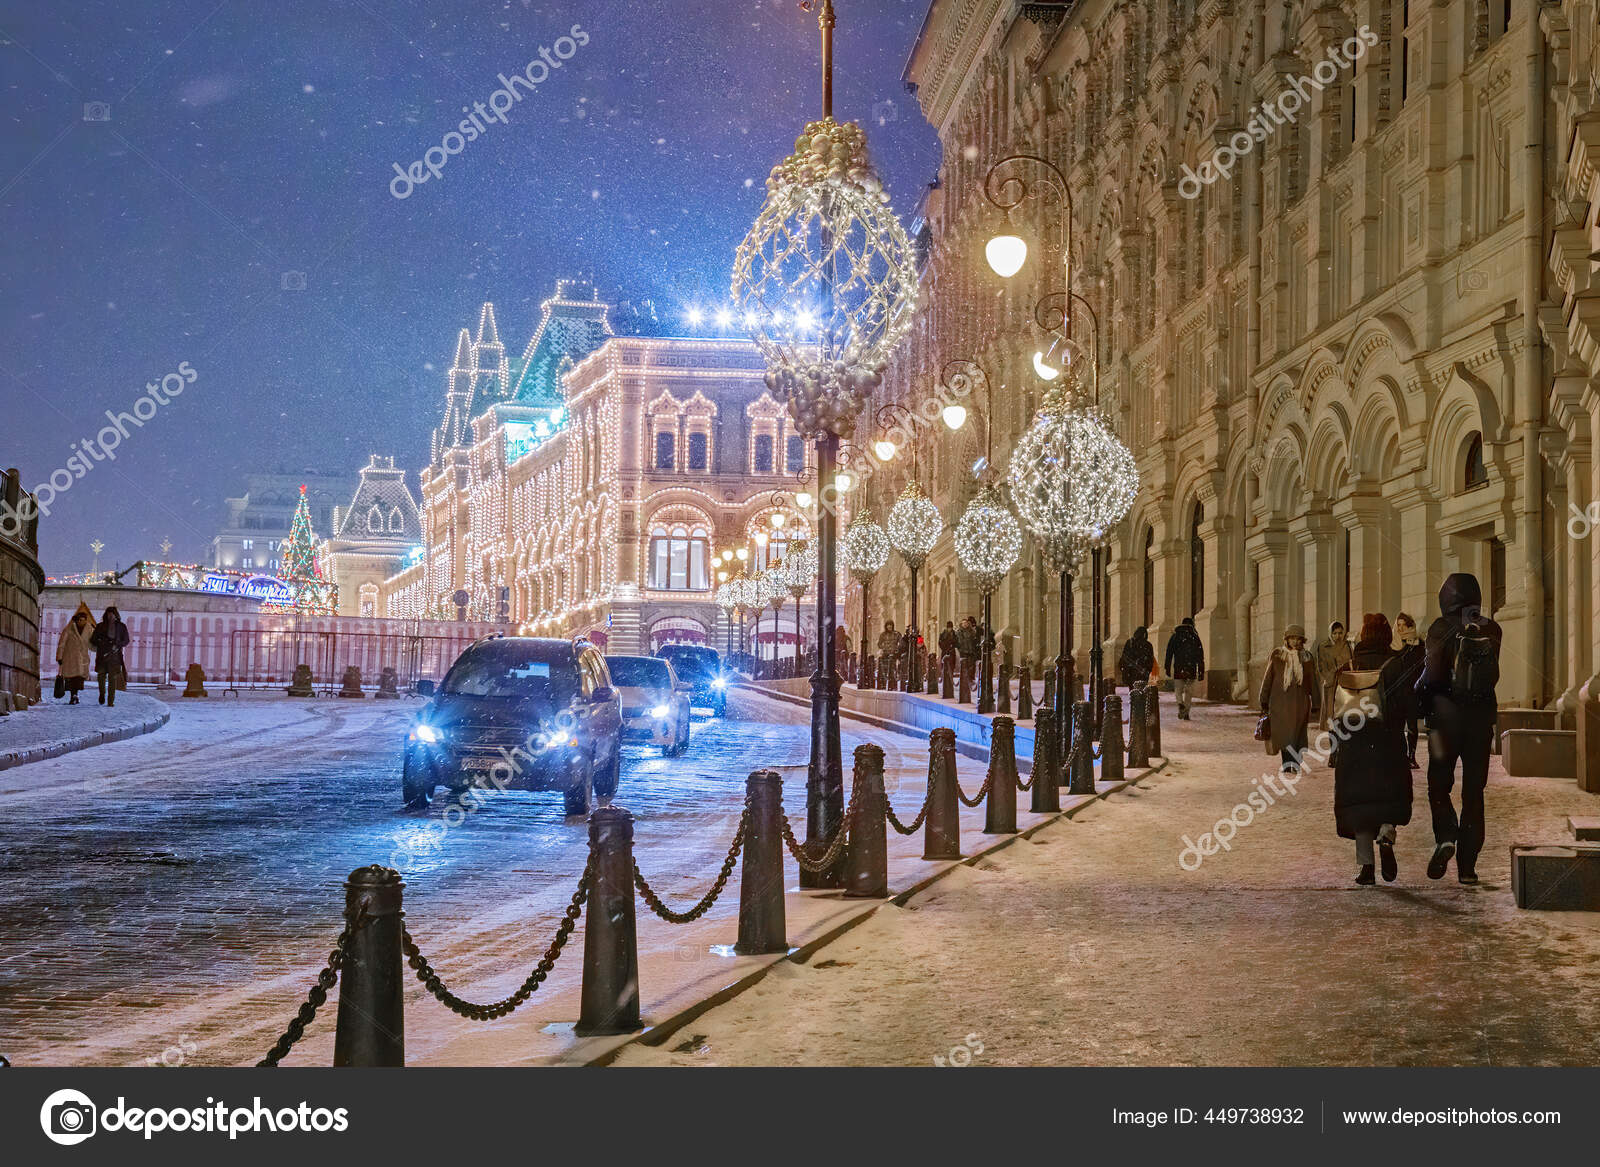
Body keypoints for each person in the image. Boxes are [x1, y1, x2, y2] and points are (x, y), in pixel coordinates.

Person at [1415, 573, 1502, 885]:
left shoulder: (1440, 628)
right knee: (1474, 793)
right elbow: (1492, 677)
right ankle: (1468, 868)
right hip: (1480, 726)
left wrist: (1422, 705)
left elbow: (1432, 677)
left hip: (1444, 725)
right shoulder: (1492, 629)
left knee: (1438, 784)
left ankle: (1447, 836)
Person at [1331, 614, 1413, 885]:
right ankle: (1387, 835)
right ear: (1386, 635)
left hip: (1354, 745)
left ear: (1364, 635)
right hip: (1387, 743)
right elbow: (1404, 706)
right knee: (1388, 798)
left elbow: (1338, 710)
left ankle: (1366, 868)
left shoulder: (1349, 666)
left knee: (1360, 806)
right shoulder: (1395, 665)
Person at [1259, 624, 1316, 773]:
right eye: (1292, 638)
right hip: (1279, 703)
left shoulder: (1307, 657)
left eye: (1298, 639)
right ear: (1287, 639)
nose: (1295, 642)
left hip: (1300, 703)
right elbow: (1268, 678)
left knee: (1297, 734)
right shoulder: (1278, 655)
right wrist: (1263, 699)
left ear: (1302, 640)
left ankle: (1294, 763)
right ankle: (1287, 764)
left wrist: (1316, 701)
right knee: (1284, 735)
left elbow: (1312, 681)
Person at [1392, 612, 1425, 769]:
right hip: (1398, 690)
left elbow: (1423, 665)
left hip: (1412, 690)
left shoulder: (1419, 644)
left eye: (1402, 625)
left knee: (1412, 726)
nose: (1399, 628)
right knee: (1398, 725)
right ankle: (1400, 755)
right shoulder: (1394, 643)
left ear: (1409, 625)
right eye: (1397, 625)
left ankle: (1411, 756)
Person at [1162, 616, 1205, 719]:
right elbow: (1200, 655)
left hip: (1179, 667)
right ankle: (1186, 712)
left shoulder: (1175, 636)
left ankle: (1180, 703)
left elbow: (1169, 653)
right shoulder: (1194, 636)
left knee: (1178, 688)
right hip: (1191, 668)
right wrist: (1201, 671)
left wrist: (1167, 667)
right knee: (1189, 691)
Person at [90, 605, 130, 707]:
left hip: (114, 656)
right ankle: (102, 694)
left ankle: (110, 701)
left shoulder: (121, 626)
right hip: (102, 655)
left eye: (112, 614)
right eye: (109, 614)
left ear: (116, 615)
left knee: (112, 679)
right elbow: (93, 639)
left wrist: (118, 643)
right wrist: (101, 642)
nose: (110, 616)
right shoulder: (100, 626)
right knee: (101, 677)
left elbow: (126, 640)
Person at [1314, 621, 1352, 729]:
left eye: (1340, 633)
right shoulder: (1323, 646)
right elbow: (1321, 667)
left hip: (1345, 682)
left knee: (1344, 712)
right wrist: (1328, 678)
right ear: (1330, 633)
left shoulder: (1347, 645)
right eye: (1335, 633)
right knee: (1331, 713)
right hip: (1331, 682)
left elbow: (1351, 661)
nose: (1337, 636)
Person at [55, 602, 94, 705]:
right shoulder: (69, 629)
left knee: (79, 678)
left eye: (83, 619)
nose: (81, 621)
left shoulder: (89, 630)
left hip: (82, 658)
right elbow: (62, 643)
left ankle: (75, 695)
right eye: (79, 619)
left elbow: (92, 644)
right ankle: (73, 695)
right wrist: (59, 656)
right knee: (72, 678)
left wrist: (100, 649)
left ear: (86, 620)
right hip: (70, 657)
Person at [877, 619, 899, 690]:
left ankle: (893, 684)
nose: (889, 627)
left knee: (893, 670)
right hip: (885, 655)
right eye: (888, 625)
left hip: (893, 655)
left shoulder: (896, 634)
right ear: (886, 626)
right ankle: (884, 683)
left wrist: (896, 650)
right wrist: (884, 648)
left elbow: (901, 643)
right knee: (884, 669)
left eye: (891, 625)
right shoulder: (883, 635)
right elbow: (879, 644)